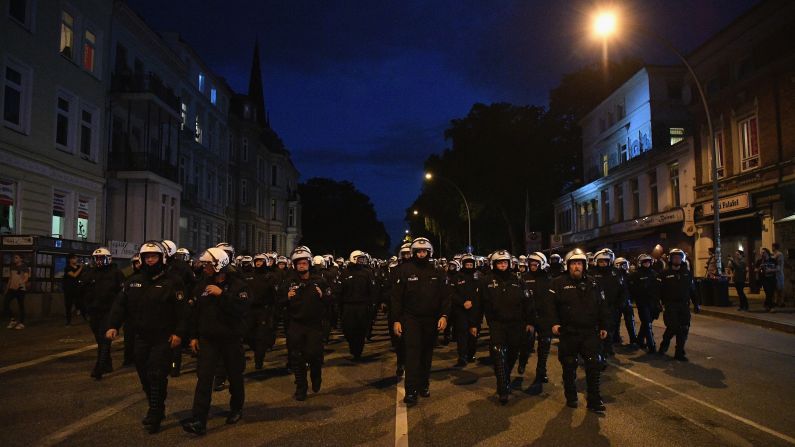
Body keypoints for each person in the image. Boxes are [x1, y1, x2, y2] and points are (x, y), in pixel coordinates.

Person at [105, 242, 187, 434]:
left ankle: (155, 412)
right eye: (147, 256)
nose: (150, 260)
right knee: (144, 374)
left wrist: (180, 333)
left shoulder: (173, 282)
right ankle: (155, 405)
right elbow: (120, 305)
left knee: (156, 374)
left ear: (162, 258)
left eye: (154, 256)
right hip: (140, 336)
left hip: (163, 337)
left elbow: (183, 312)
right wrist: (112, 325)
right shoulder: (133, 281)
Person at [181, 248, 249, 436]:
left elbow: (241, 309)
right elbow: (196, 313)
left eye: (208, 264)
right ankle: (199, 420)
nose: (205, 268)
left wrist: (222, 295)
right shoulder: (201, 285)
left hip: (231, 339)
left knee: (235, 375)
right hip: (208, 340)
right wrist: (194, 336)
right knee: (204, 379)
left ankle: (236, 408)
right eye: (204, 264)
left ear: (219, 264)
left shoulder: (238, 285)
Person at [548, 248, 609, 412]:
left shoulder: (593, 283)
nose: (577, 267)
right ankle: (571, 395)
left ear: (584, 266)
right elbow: (550, 307)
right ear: (568, 265)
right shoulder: (557, 283)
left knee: (594, 363)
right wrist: (554, 323)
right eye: (574, 264)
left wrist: (604, 325)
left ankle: (594, 399)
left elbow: (602, 306)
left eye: (579, 264)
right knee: (569, 364)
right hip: (568, 331)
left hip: (590, 332)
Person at [392, 237, 450, 406]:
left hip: (431, 319)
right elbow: (396, 298)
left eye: (424, 251)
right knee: (412, 354)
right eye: (418, 251)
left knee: (426, 354)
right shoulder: (404, 270)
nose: (422, 254)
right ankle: (411, 391)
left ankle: (424, 385)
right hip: (411, 319)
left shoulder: (438, 272)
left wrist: (444, 316)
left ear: (429, 252)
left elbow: (446, 297)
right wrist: (396, 320)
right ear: (414, 252)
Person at [473, 250, 534, 404]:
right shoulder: (485, 281)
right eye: (499, 262)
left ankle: (505, 377)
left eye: (505, 262)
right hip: (496, 323)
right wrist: (475, 323)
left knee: (513, 352)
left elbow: (528, 303)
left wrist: (530, 322)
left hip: (517, 323)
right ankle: (502, 388)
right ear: (494, 264)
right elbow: (478, 305)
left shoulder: (518, 280)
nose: (502, 265)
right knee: (498, 352)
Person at [278, 247, 330, 401]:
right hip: (295, 325)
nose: (302, 265)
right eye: (298, 263)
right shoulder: (288, 283)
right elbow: (278, 303)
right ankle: (301, 388)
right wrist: (286, 297)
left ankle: (316, 375)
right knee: (297, 357)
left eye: (304, 262)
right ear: (294, 265)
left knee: (314, 355)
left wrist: (323, 296)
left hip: (314, 325)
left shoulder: (319, 281)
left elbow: (330, 300)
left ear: (309, 263)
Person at [81, 247, 125, 380]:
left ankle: (99, 367)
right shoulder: (90, 272)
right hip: (94, 311)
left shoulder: (116, 273)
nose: (99, 261)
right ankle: (108, 363)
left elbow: (121, 294)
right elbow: (84, 290)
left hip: (109, 311)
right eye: (97, 259)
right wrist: (85, 308)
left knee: (105, 338)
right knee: (100, 340)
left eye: (102, 258)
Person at [337, 250, 378, 360]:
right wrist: (339, 305)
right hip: (348, 307)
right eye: (360, 258)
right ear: (353, 258)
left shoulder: (367, 272)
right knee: (348, 329)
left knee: (361, 330)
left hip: (363, 306)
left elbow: (373, 290)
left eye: (363, 258)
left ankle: (358, 352)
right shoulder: (345, 273)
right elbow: (339, 290)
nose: (362, 260)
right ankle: (352, 346)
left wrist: (373, 304)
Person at [523, 252, 552, 395]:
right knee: (526, 344)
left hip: (545, 318)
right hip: (528, 318)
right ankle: (522, 362)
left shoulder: (548, 278)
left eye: (535, 264)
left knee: (544, 346)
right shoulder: (523, 278)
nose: (533, 266)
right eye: (531, 264)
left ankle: (541, 372)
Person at [658, 248, 694, 361]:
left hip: (683, 305)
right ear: (671, 259)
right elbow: (658, 290)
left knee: (684, 328)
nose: (677, 259)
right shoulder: (664, 274)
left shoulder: (687, 273)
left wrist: (696, 303)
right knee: (673, 327)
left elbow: (692, 289)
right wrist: (658, 303)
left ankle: (679, 352)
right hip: (670, 305)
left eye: (679, 257)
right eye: (675, 257)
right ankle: (664, 344)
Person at [450, 253, 480, 367]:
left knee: (474, 334)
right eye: (466, 264)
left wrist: (474, 302)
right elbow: (452, 293)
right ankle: (462, 356)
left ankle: (471, 354)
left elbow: (481, 293)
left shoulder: (479, 276)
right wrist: (462, 303)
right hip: (461, 311)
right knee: (462, 334)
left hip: (475, 311)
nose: (468, 266)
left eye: (470, 264)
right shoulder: (457, 277)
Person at [628, 254, 661, 353]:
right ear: (640, 263)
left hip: (653, 302)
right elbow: (631, 289)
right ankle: (652, 346)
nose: (647, 263)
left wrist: (659, 301)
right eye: (644, 262)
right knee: (647, 324)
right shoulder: (635, 275)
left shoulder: (654, 273)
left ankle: (640, 340)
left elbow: (658, 288)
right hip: (642, 303)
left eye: (648, 262)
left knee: (647, 323)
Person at [4, 253, 30, 330]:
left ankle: (21, 323)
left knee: (21, 306)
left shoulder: (24, 267)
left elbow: (26, 278)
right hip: (11, 289)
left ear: (21, 259)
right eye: (14, 257)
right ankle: (13, 320)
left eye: (16, 257)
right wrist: (7, 288)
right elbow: (10, 278)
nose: (14, 259)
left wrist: (20, 284)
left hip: (20, 289)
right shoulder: (12, 267)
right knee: (5, 304)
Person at [63, 253, 86, 325]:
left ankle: (85, 318)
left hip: (78, 288)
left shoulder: (78, 266)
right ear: (70, 260)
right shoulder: (67, 268)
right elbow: (74, 275)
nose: (76, 259)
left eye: (76, 258)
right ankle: (68, 321)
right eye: (74, 258)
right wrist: (81, 268)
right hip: (69, 289)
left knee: (81, 303)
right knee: (68, 305)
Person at [773, 243, 785, 308]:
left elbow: (779, 264)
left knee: (780, 288)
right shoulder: (775, 254)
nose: (772, 248)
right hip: (776, 273)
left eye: (773, 247)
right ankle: (776, 301)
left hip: (779, 273)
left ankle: (782, 302)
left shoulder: (779, 254)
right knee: (776, 288)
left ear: (775, 247)